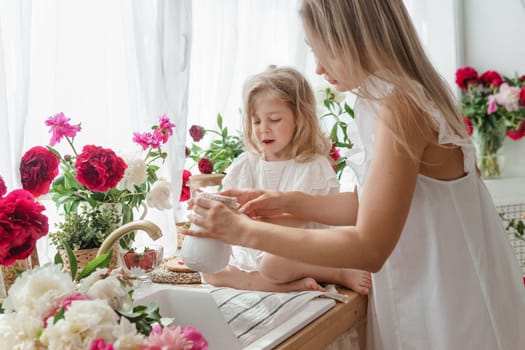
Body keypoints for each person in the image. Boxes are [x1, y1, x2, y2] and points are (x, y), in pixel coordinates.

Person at [184, 0, 525, 348]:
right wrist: (286, 201)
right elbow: (372, 205)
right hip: (438, 294)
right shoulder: (388, 99)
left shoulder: (401, 106)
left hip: (448, 310)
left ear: (355, 38)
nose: (317, 67)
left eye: (323, 50)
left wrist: (242, 231)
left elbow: (370, 247)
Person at [201, 65, 371, 295]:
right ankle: (289, 286)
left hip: (296, 249)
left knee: (272, 265)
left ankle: (337, 273)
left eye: (274, 119)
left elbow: (296, 222)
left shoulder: (310, 165)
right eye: (257, 121)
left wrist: (243, 225)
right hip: (254, 248)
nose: (264, 130)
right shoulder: (244, 164)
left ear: (299, 119)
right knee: (208, 271)